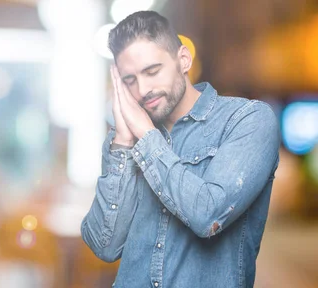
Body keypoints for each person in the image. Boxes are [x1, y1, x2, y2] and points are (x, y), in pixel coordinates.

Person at [81, 11, 280, 288]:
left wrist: (147, 137)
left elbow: (208, 215)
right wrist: (123, 143)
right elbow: (105, 246)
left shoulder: (248, 119)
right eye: (129, 80)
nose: (143, 89)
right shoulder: (127, 139)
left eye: (152, 71)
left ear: (183, 60)